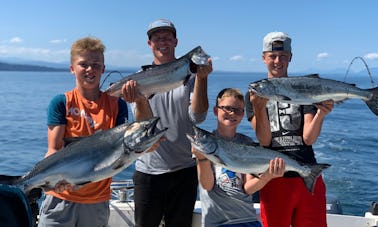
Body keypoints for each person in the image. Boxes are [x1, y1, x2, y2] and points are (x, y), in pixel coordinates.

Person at [37, 36, 149, 227]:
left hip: (97, 201)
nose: (90, 69)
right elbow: (53, 149)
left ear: (103, 69)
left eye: (96, 65)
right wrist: (55, 180)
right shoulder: (61, 103)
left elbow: (122, 146)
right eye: (84, 64)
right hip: (60, 198)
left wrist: (141, 100)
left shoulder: (117, 105)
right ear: (72, 68)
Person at [124, 18, 212, 227]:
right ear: (149, 44)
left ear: (176, 42)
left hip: (184, 170)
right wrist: (139, 98)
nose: (162, 42)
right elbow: (143, 128)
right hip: (148, 172)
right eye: (157, 38)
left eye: (167, 37)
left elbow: (198, 117)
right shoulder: (136, 81)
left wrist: (202, 78)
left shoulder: (190, 75)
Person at [245, 32, 334, 227]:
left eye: (283, 56)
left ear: (290, 58)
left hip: (307, 175)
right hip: (274, 178)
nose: (278, 61)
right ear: (263, 58)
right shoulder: (253, 94)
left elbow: (308, 139)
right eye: (272, 56)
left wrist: (321, 114)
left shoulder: (302, 88)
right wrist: (259, 109)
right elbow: (265, 141)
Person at [192, 88, 285, 227]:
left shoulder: (247, 143)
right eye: (227, 108)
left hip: (247, 219)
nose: (232, 113)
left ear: (242, 115)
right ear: (216, 110)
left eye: (238, 110)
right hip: (218, 222)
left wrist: (268, 175)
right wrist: (202, 158)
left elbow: (247, 188)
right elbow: (207, 185)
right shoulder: (206, 145)